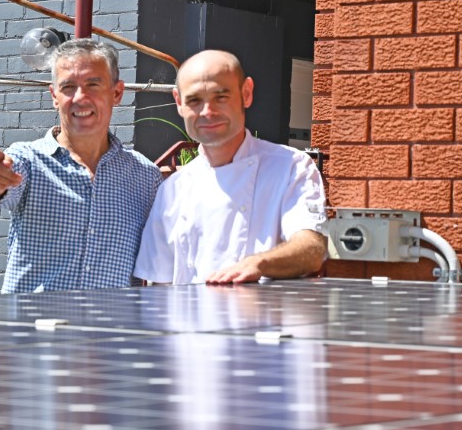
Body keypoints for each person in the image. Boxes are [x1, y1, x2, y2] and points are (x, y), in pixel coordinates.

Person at [0, 39, 162, 293]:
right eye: (68, 87)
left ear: (116, 93)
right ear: (54, 96)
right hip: (33, 329)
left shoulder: (145, 176)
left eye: (93, 85)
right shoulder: (28, 160)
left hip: (109, 330)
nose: (80, 98)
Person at [133, 49, 326, 285]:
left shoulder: (290, 167)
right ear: (178, 102)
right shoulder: (172, 190)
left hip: (264, 319)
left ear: (246, 93)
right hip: (188, 320)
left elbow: (312, 249)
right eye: (194, 100)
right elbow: (159, 286)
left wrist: (258, 263)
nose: (207, 112)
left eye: (221, 97)